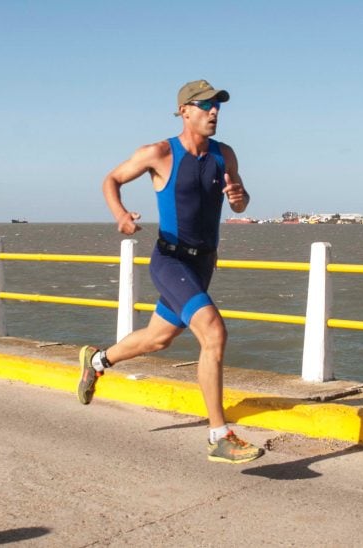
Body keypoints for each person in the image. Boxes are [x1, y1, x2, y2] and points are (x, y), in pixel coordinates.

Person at [77, 79, 263, 464]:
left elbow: (240, 204)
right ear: (185, 111)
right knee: (213, 332)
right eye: (207, 105)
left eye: (218, 106)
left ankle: (96, 361)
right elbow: (110, 179)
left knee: (159, 339)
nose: (215, 112)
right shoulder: (159, 153)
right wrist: (121, 216)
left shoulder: (224, 155)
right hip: (171, 260)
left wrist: (241, 199)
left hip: (203, 263)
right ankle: (219, 435)